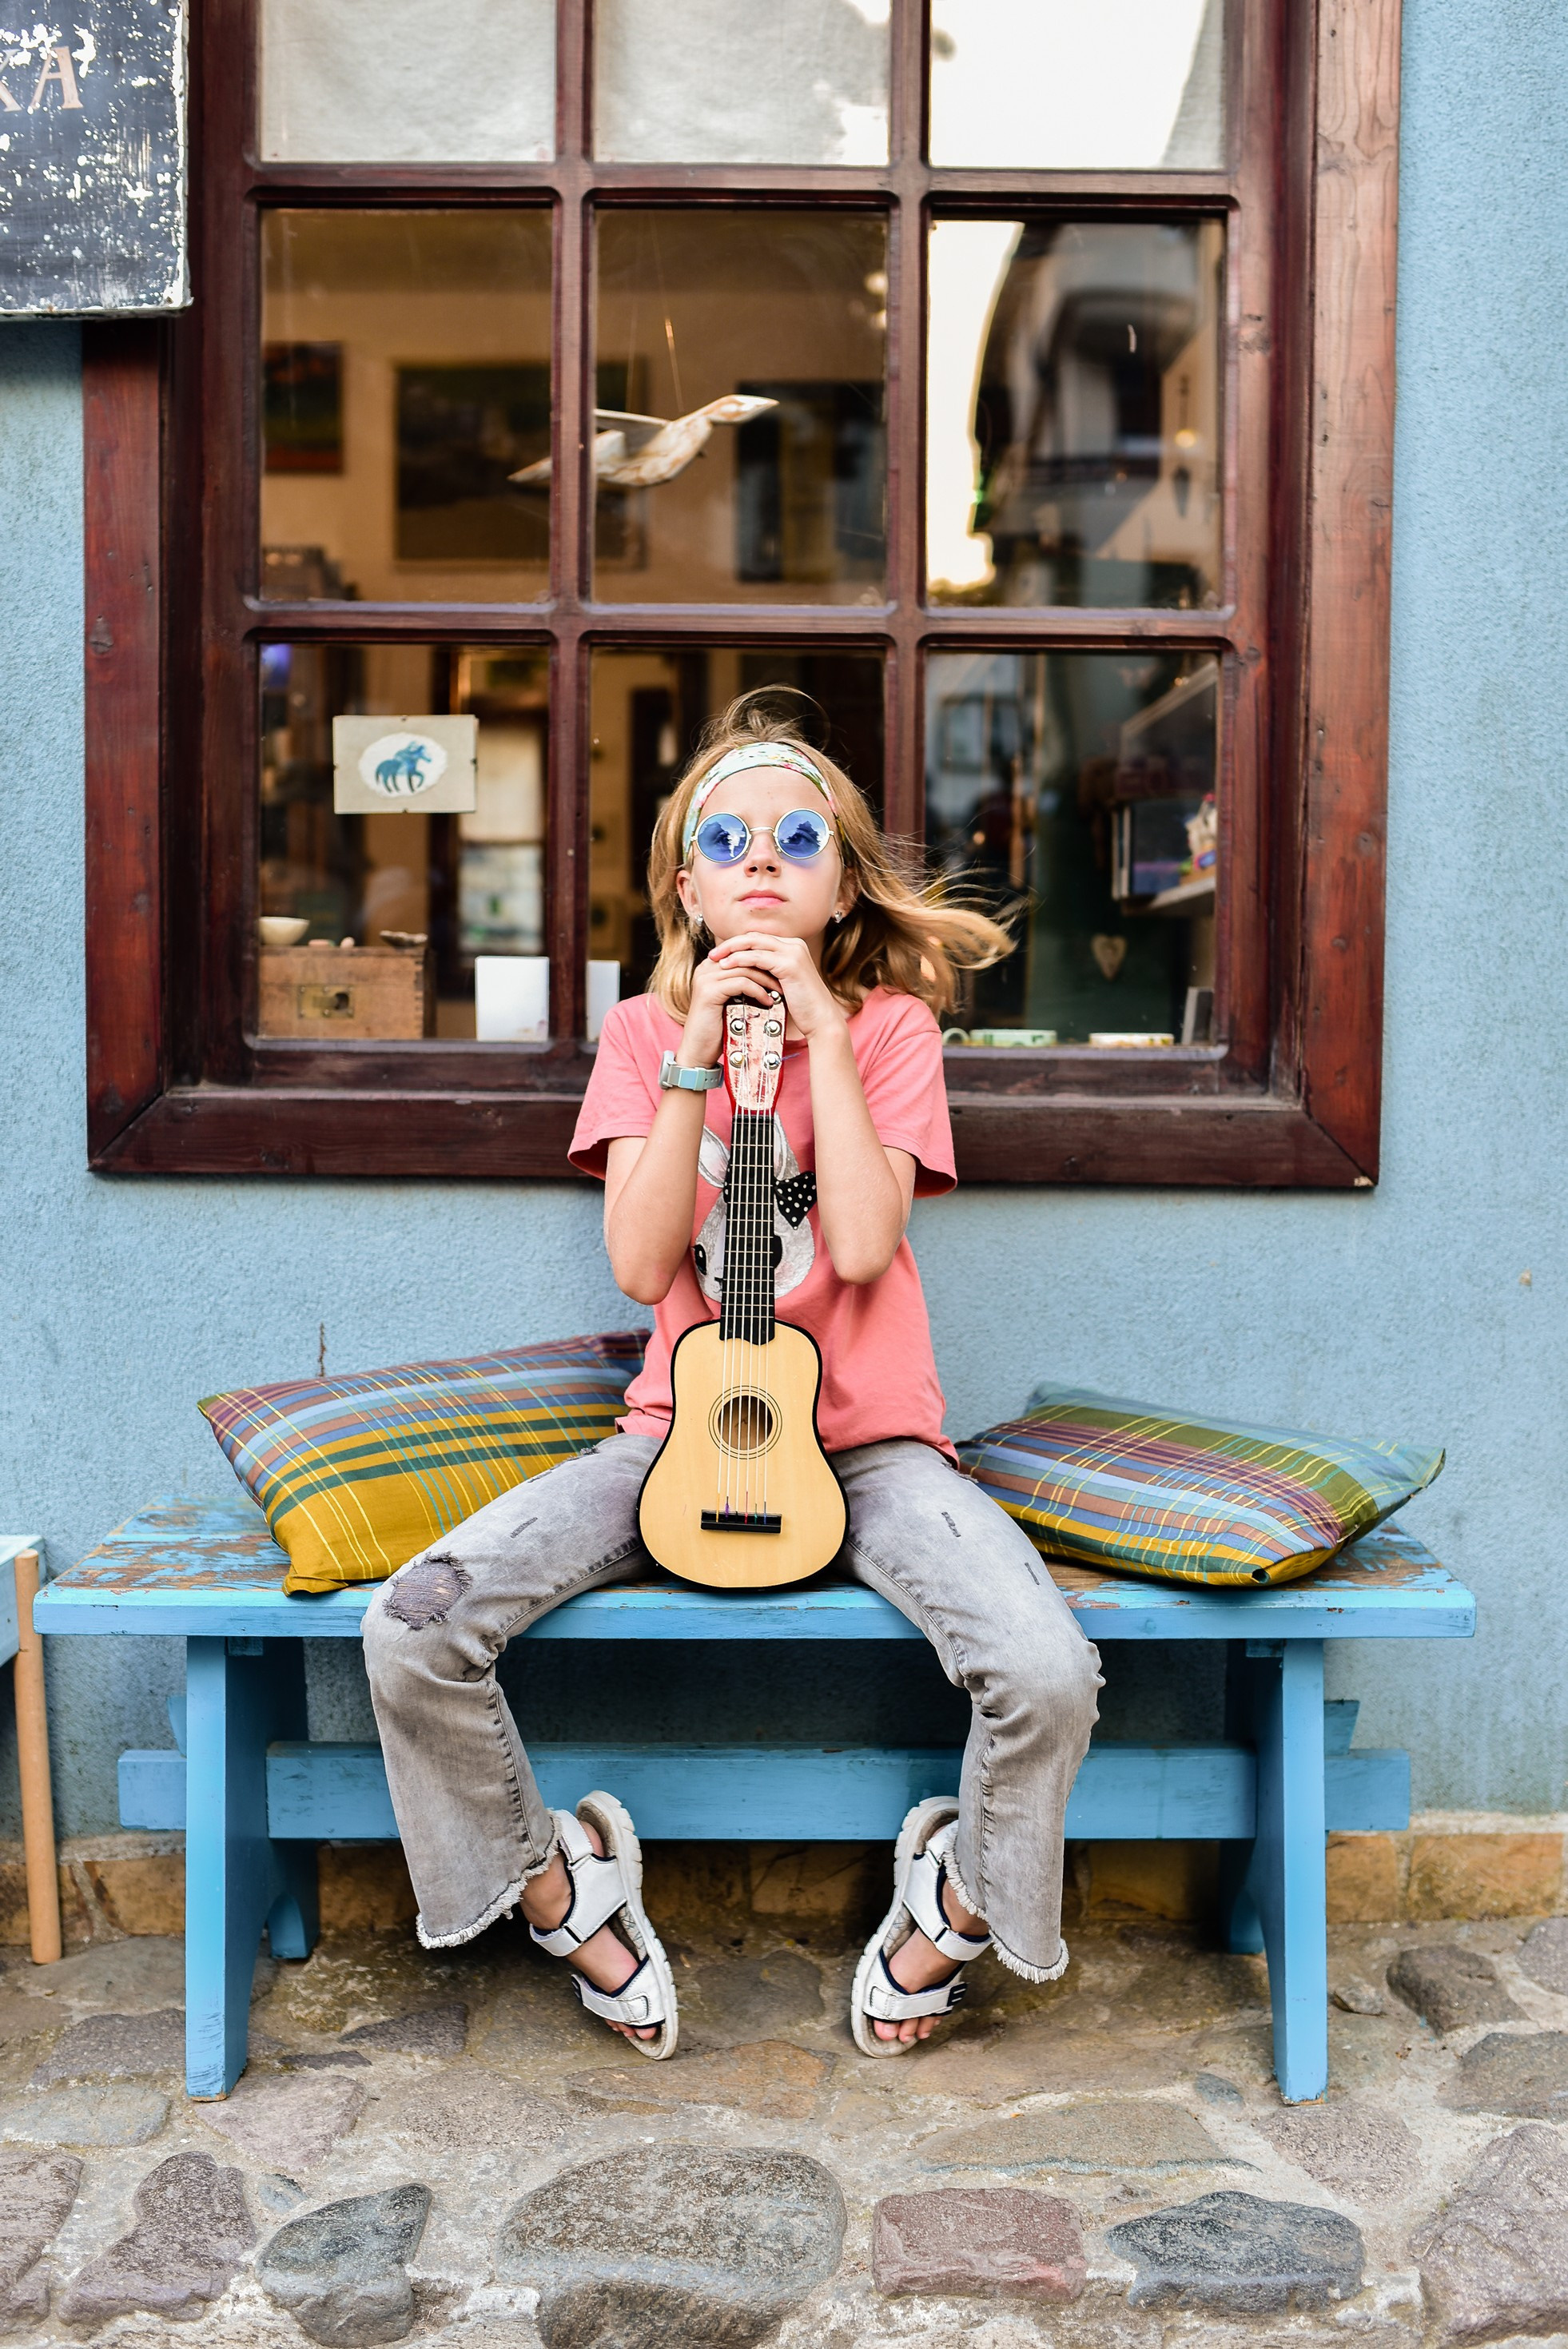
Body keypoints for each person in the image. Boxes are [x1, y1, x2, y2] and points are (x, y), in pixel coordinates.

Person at [363, 695, 1103, 2059]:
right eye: (728, 838)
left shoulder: (888, 1036)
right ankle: (561, 1893)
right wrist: (701, 1054)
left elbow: (870, 1244)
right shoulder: (645, 1041)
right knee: (413, 1626)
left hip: (873, 1450)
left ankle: (953, 1907)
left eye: (797, 837)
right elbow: (648, 1270)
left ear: (839, 881)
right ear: (687, 884)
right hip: (675, 1435)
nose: (761, 859)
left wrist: (819, 1033)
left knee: (1048, 1671)